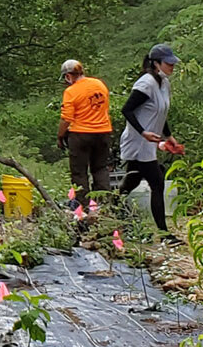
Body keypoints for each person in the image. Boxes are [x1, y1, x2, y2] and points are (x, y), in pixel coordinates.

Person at [118, 44, 183, 232]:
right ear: (156, 64)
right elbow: (127, 110)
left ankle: (109, 208)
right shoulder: (146, 84)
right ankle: (164, 232)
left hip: (149, 142)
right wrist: (143, 132)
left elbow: (160, 113)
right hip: (139, 142)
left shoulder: (164, 84)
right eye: (168, 63)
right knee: (157, 182)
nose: (172, 66)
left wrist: (169, 136)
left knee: (133, 181)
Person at [57, 59, 114, 204]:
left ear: (68, 76)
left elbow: (66, 119)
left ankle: (83, 207)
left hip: (80, 135)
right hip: (103, 133)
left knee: (79, 173)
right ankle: (104, 204)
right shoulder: (99, 84)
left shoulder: (71, 91)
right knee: (100, 169)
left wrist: (60, 136)